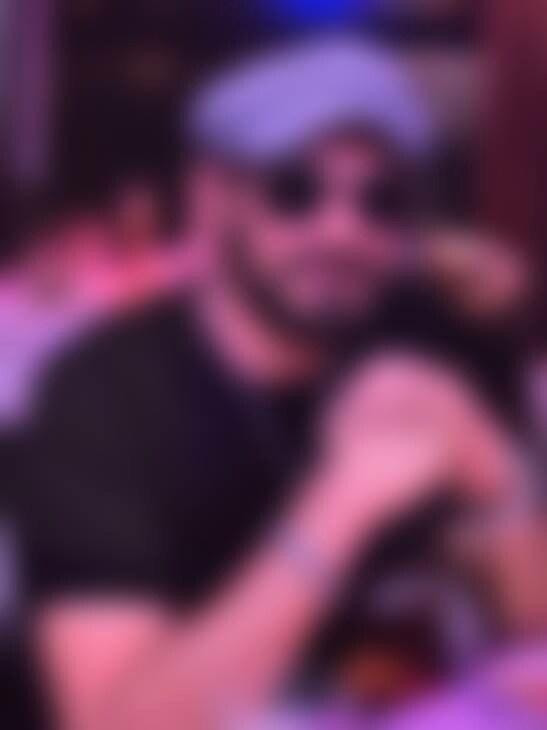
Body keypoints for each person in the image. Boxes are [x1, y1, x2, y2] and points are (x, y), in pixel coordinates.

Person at [21, 38, 521, 730]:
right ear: (210, 199)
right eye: (294, 189)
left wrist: (495, 474)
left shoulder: (423, 343)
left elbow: (531, 623)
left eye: (382, 200)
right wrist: (341, 504)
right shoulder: (101, 402)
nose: (342, 230)